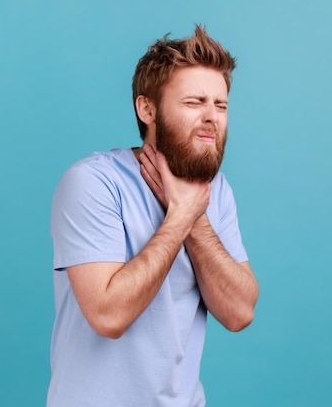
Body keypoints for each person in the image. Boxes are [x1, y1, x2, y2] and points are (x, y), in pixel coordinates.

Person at [47, 25, 259, 407]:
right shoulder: (93, 183)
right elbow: (108, 315)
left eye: (221, 105)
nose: (212, 117)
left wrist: (196, 218)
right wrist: (180, 216)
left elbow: (239, 311)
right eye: (195, 102)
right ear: (147, 109)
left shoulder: (216, 191)